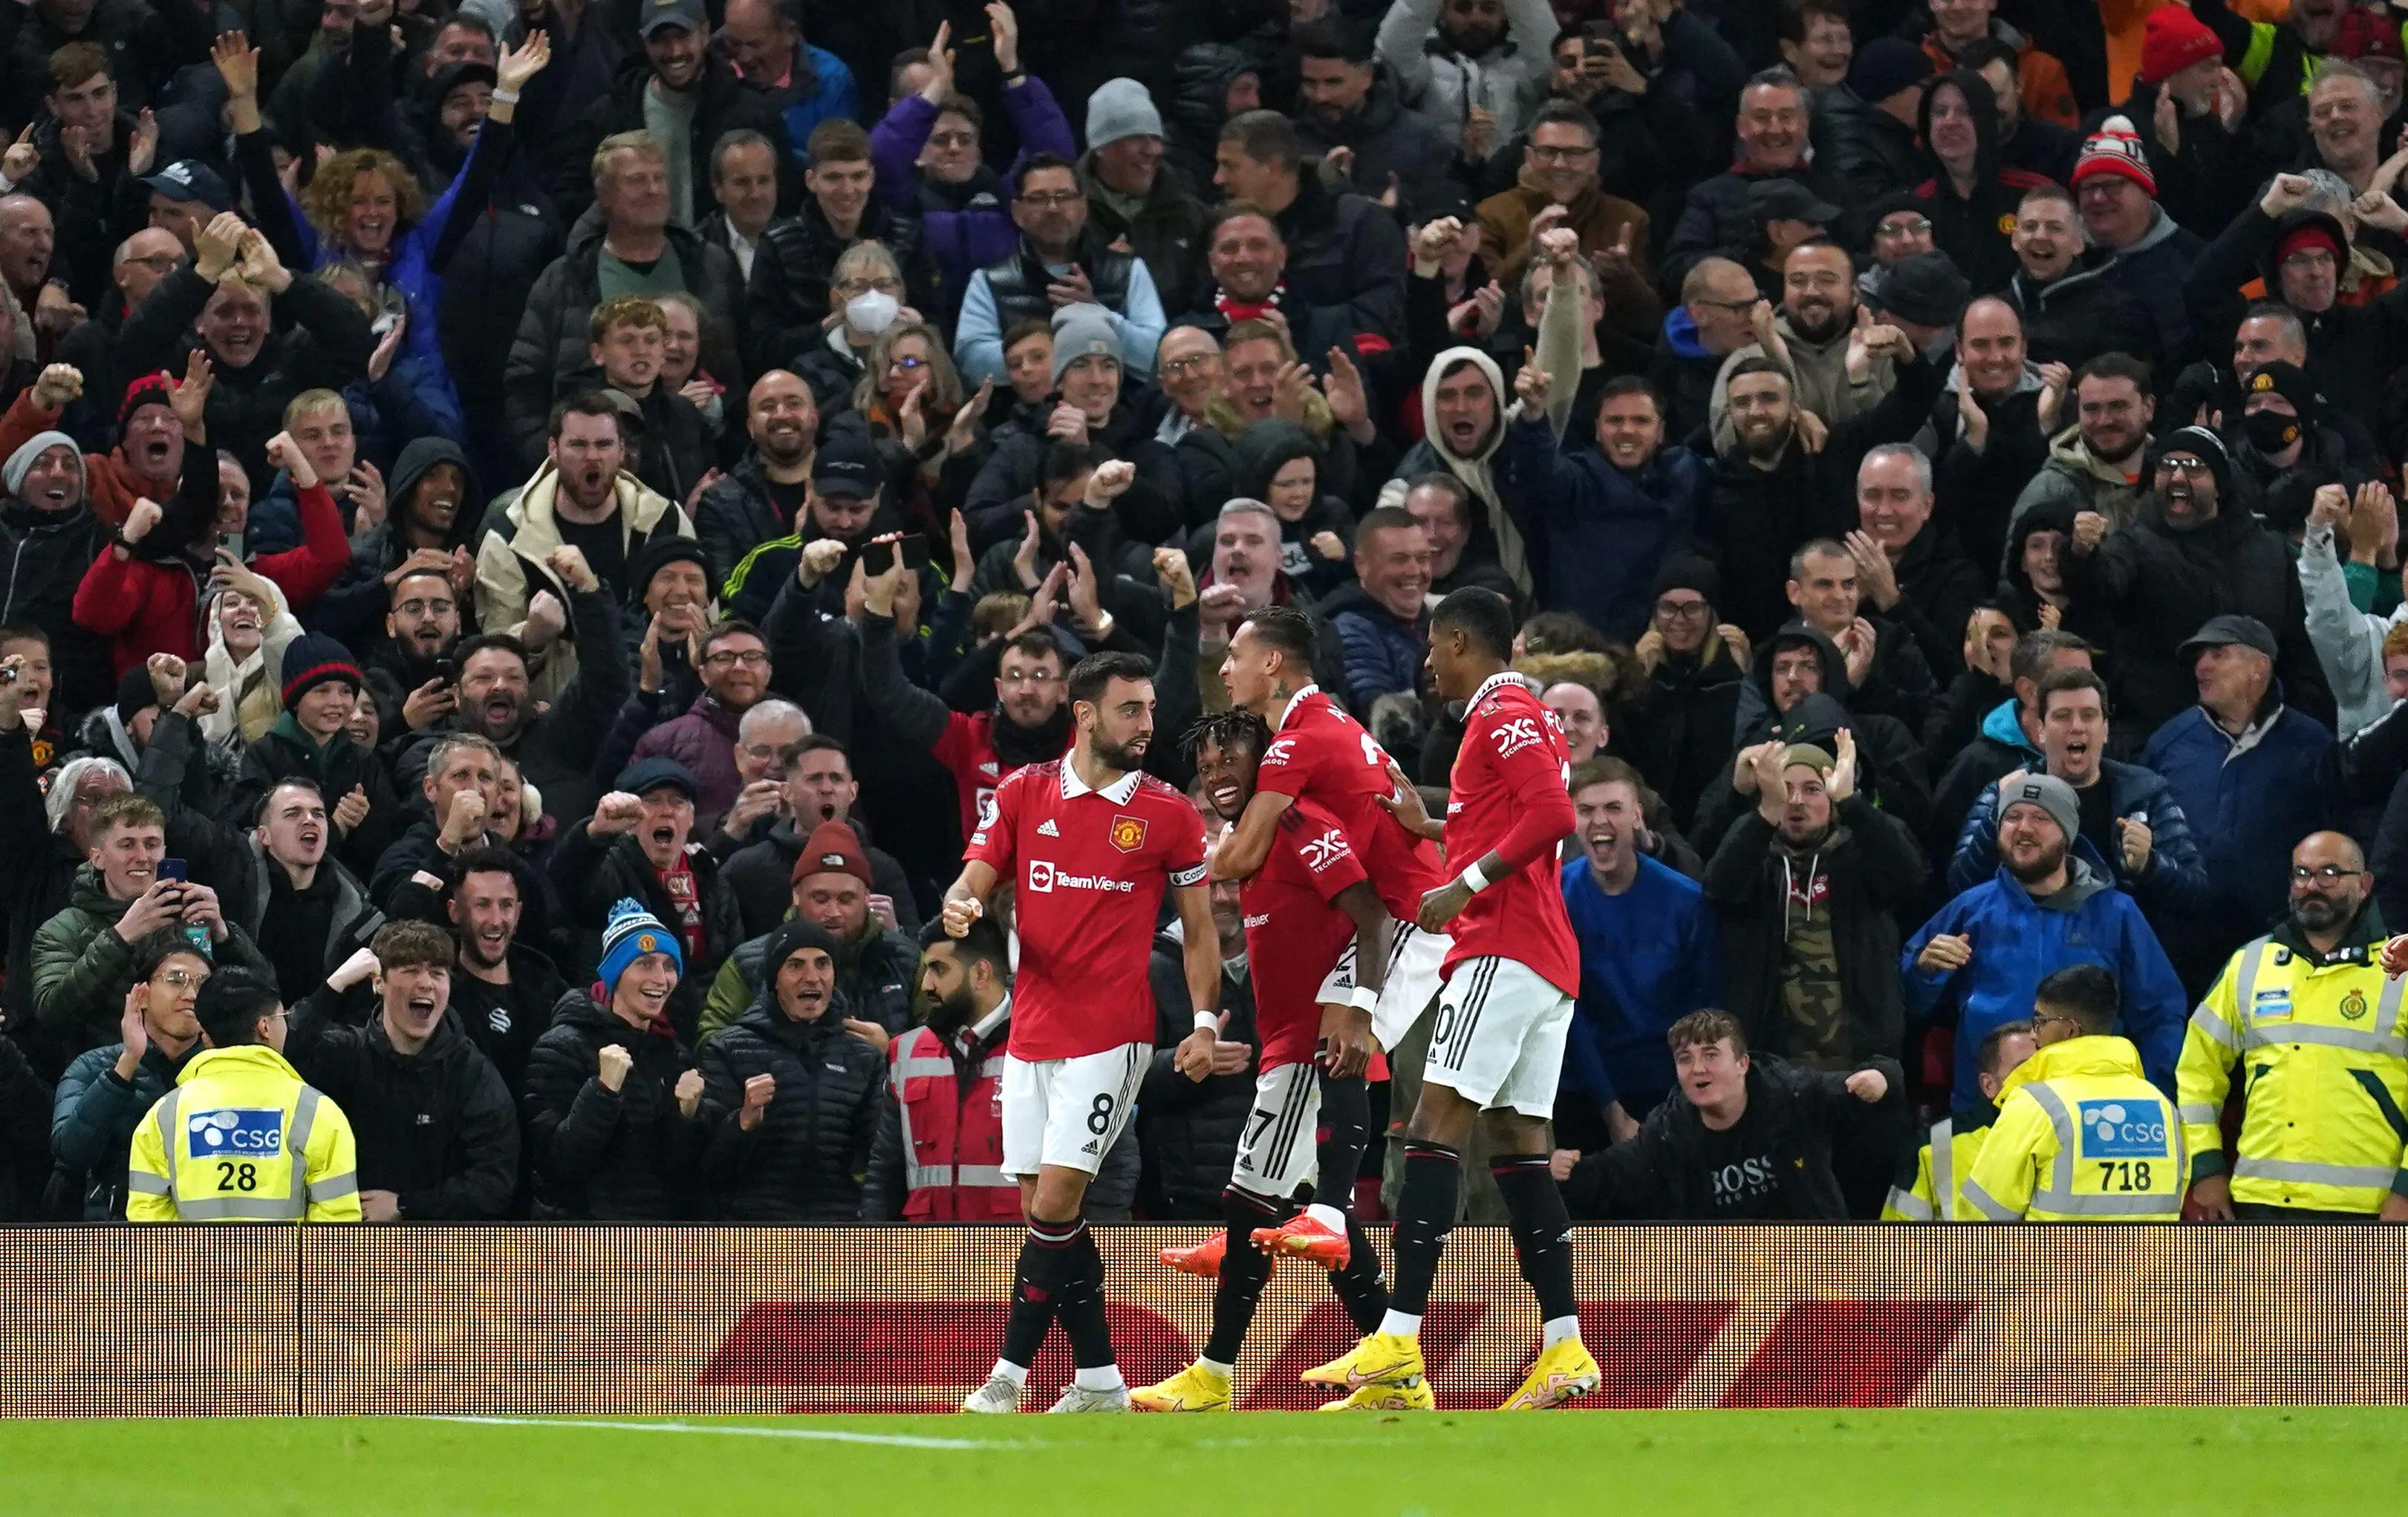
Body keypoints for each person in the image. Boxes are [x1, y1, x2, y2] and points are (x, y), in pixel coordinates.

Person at [1305, 587, 1596, 1412]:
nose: (1426, 664)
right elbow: (1509, 815)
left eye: (1433, 648)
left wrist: (1458, 885)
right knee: (1517, 1148)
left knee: (1431, 1127)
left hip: (1500, 947)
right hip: (1543, 957)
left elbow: (1550, 815)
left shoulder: (1500, 712)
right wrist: (1429, 826)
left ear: (1461, 640)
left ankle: (1396, 1342)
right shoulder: (1522, 718)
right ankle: (1563, 1347)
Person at [946, 650, 1217, 1414]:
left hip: (1111, 1034)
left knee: (1056, 1205)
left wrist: (1197, 1022)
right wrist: (959, 905)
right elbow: (973, 876)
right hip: (1029, 1034)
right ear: (1086, 713)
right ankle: (1098, 1380)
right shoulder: (1024, 792)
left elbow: (1198, 934)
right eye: (1131, 709)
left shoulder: (1168, 812)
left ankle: (1008, 1377)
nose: (1146, 725)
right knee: (1047, 1220)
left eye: (1151, 710)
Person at [1134, 709, 1394, 1412]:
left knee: (1252, 1201)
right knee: (1304, 1210)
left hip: (1315, 1047)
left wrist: (1359, 1009)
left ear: (1270, 761)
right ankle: (1395, 1368)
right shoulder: (1246, 839)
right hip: (1291, 1044)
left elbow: (1372, 914)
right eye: (1208, 765)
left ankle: (1213, 1375)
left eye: (1232, 759)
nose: (1219, 774)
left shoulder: (1297, 822)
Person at [1904, 771, 2187, 1102]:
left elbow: (2161, 1013)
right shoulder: (1970, 909)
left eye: (2041, 817)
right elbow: (1907, 1002)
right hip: (1987, 1109)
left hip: (2091, 1109)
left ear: (2067, 834)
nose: (2024, 828)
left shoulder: (2117, 913)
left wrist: (2153, 1096)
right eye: (2012, 817)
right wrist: (1923, 971)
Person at [2187, 832, 2408, 1221]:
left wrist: (2406, 1191)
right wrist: (2205, 1167)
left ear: (2365, 884)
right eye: (2301, 873)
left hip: (2368, 1208)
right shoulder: (2250, 963)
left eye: (2329, 873)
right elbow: (2197, 1072)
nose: (2311, 886)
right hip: (2260, 1201)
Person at [1560, 1008, 1904, 1219]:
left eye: (1710, 1055)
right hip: (1721, 1279)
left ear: (1742, 1063)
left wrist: (1882, 1078)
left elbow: (1881, 1078)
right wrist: (1566, 1171)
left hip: (1812, 1267)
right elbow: (1611, 1176)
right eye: (1685, 1059)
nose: (1697, 1069)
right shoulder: (1666, 1132)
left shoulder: (1794, 1095)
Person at [2140, 616, 2339, 977]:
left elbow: (2335, 833)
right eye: (2200, 657)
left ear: (2259, 667)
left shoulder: (2312, 745)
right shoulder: (2168, 742)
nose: (2203, 665)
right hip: (2182, 942)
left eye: (2219, 654)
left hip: (2278, 942)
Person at [284, 921, 519, 1221]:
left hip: (437, 1254)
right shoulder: (345, 1054)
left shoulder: (472, 1073)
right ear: (378, 982)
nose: (426, 983)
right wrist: (335, 985)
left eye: (437, 973)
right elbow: (285, 1053)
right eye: (410, 970)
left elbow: (494, 1183)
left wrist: (406, 1206)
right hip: (345, 1249)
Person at [1947, 667, 2210, 916]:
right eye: (2062, 716)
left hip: (2117, 951)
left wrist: (2150, 864)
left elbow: (2196, 891)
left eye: (2089, 715)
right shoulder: (2006, 791)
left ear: (2105, 730)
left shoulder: (2145, 792)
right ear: (2041, 731)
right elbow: (1960, 884)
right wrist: (1998, 817)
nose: (2076, 726)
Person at [1561, 757, 1722, 1141]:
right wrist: (1611, 1111)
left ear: (1637, 816)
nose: (1600, 820)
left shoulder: (1686, 901)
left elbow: (1708, 1006)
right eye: (1586, 810)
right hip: (1582, 1089)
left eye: (1613, 808)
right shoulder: (1554, 899)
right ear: (1571, 820)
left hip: (1670, 1089)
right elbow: (1565, 1012)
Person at [125, 966, 362, 1223]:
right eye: (282, 1016)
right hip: (285, 1264)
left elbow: (147, 1223)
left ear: (206, 1039)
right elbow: (337, 1228)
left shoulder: (164, 1115)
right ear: (265, 1028)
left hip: (195, 1264)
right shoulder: (317, 1112)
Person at [521, 896, 708, 1220]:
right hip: (585, 1245)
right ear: (615, 973)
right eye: (645, 964)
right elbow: (556, 1166)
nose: (661, 979)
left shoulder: (674, 1055)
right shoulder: (562, 1046)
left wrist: (687, 1116)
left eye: (669, 966)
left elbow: (678, 1172)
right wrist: (603, 1092)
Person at [1956, 963, 2185, 1221]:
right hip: (2147, 1260)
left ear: (2070, 1029)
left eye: (2040, 1021)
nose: (2034, 1033)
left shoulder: (2036, 1104)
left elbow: (1983, 1216)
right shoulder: (2163, 1108)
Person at [692, 916, 885, 1221]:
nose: (812, 977)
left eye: (823, 964)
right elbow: (705, 1170)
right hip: (753, 1238)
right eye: (796, 965)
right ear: (774, 977)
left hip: (837, 1237)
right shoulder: (728, 1050)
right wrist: (742, 1122)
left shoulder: (862, 1056)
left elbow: (879, 1162)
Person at [1508, 365, 1705, 642]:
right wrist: (1533, 415)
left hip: (1661, 650)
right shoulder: (1577, 479)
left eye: (1641, 421)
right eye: (1615, 421)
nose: (1627, 431)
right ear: (1598, 430)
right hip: (1580, 650)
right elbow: (1540, 470)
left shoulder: (1686, 477)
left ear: (1660, 431)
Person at [952, 154, 1165, 388]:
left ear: (1083, 207)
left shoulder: (1127, 270)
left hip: (1118, 415)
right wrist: (1052, 346)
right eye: (1038, 199)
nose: (1053, 208)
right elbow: (971, 361)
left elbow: (1157, 355)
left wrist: (1098, 316)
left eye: (1064, 197)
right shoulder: (989, 280)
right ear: (1017, 212)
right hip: (1018, 415)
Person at [861, 918, 1019, 1221]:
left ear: (981, 974)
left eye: (939, 969)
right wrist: (874, 1252)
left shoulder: (1045, 1048)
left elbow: (1106, 1164)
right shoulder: (906, 1052)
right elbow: (886, 1169)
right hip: (930, 1253)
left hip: (1017, 1252)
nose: (926, 985)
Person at [48, 929, 210, 1218]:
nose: (191, 995)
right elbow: (71, 1153)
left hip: (202, 1235)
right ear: (142, 995)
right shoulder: (94, 1066)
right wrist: (128, 1062)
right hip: (115, 1235)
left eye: (203, 984)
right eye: (176, 980)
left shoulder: (221, 1070)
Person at [1879, 1020, 2037, 1221]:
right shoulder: (1935, 1145)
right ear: (1989, 1085)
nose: (2040, 1077)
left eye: (2047, 1066)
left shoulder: (2077, 1132)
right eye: (2024, 1070)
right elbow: (1898, 1243)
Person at [1077, 79, 1208, 322]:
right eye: (1137, 137)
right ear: (1101, 148)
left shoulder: (1187, 212)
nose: (1152, 150)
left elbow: (1203, 298)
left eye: (1156, 137)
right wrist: (1109, 276)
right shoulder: (1069, 214)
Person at [1322, 508, 1431, 705]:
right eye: (1399, 559)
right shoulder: (1349, 630)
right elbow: (1379, 714)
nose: (1414, 571)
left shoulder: (1437, 621)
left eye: (1422, 559)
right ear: (1362, 565)